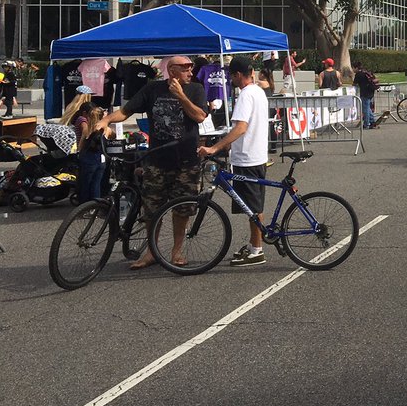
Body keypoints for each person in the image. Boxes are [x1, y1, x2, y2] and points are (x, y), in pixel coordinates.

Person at [99, 56, 209, 269]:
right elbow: (126, 111)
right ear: (172, 70)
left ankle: (176, 251)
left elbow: (200, 116)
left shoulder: (196, 89)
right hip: (157, 160)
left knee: (182, 209)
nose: (190, 72)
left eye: (191, 67)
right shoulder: (153, 89)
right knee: (151, 209)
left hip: (186, 160)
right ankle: (151, 251)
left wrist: (181, 96)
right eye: (185, 68)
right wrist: (106, 120)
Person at [197, 56, 270, 267]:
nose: (229, 80)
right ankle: (254, 245)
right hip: (253, 155)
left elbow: (241, 127)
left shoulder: (246, 95)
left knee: (253, 208)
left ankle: (257, 250)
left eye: (230, 75)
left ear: (238, 75)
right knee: (251, 207)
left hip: (248, 158)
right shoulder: (258, 91)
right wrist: (228, 145)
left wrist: (215, 147)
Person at [75, 99, 112, 202]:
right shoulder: (106, 129)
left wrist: (79, 153)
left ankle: (84, 204)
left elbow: (82, 143)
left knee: (85, 183)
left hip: (88, 158)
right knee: (96, 183)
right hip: (102, 158)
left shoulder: (89, 129)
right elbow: (113, 136)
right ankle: (96, 205)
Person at [352, 61, 380, 129]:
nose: (352, 70)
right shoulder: (366, 72)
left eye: (353, 68)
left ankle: (367, 124)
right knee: (368, 108)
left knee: (365, 109)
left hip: (364, 92)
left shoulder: (358, 74)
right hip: (371, 91)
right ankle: (372, 121)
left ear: (356, 68)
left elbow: (354, 84)